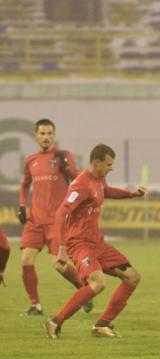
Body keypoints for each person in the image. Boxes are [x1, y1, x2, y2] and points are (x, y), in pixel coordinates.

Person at [44, 143, 147, 339]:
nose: (111, 168)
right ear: (97, 163)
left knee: (132, 277)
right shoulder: (81, 184)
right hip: (79, 243)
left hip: (97, 243)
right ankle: (54, 322)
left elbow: (106, 191)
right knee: (98, 283)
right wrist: (62, 248)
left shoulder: (99, 179)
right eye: (108, 164)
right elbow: (61, 214)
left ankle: (102, 325)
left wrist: (131, 194)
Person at [17, 118, 91, 315]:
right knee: (26, 260)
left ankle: (84, 290)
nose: (46, 137)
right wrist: (22, 205)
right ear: (35, 136)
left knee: (58, 264)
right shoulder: (31, 160)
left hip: (56, 221)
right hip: (35, 220)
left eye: (49, 133)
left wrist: (69, 169)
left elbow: (77, 178)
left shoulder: (62, 155)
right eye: (42, 133)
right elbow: (25, 184)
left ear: (54, 135)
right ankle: (35, 306)